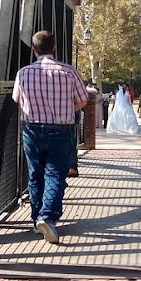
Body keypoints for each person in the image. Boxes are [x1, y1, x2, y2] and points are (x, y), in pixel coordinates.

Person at [12, 29, 89, 245]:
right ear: (53, 47)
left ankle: (37, 219)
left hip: (32, 130)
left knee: (35, 175)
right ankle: (47, 217)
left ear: (34, 50)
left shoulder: (23, 73)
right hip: (60, 129)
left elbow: (17, 99)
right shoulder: (68, 71)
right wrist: (65, 108)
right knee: (55, 174)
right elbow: (83, 101)